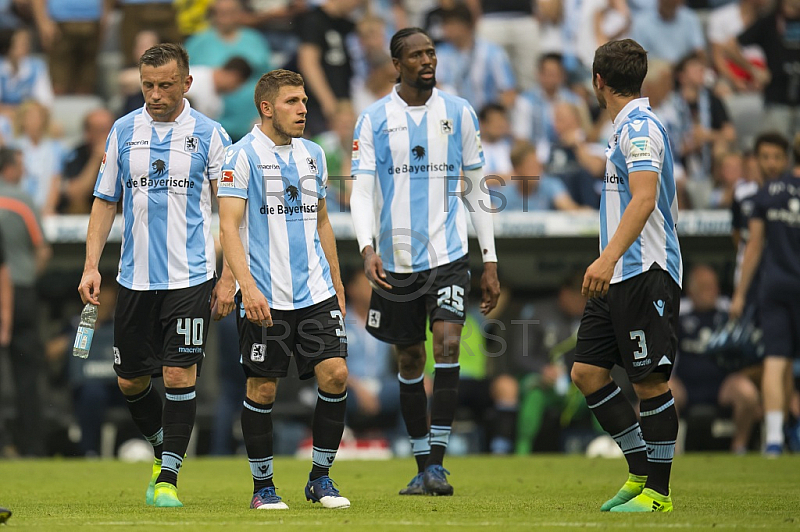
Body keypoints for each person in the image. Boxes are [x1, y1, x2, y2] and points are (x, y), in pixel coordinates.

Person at [77, 44, 235, 508]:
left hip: (190, 278)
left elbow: (230, 212)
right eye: (148, 85)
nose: (155, 94)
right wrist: (90, 265)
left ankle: (167, 479)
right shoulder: (123, 131)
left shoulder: (210, 134)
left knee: (178, 374)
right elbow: (105, 201)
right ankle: (166, 446)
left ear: (187, 83)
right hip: (134, 279)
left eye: (166, 84)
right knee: (130, 380)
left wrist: (228, 276)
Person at [349, 27, 500, 496]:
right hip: (394, 261)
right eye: (415, 55)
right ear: (397, 64)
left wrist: (490, 258)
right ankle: (420, 464)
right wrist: (367, 247)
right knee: (411, 354)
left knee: (448, 342)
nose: (426, 60)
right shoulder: (373, 118)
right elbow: (362, 190)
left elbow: (476, 187)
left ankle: (437, 462)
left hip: (449, 255)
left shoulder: (459, 113)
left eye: (431, 52)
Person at [218, 69, 350, 510]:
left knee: (336, 374)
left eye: (305, 100)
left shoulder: (314, 154)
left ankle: (320, 478)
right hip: (265, 297)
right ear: (267, 108)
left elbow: (322, 220)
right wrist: (246, 287)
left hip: (315, 291)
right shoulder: (240, 158)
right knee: (264, 389)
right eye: (293, 101)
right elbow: (229, 228)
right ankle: (263, 488)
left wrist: (336, 278)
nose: (304, 109)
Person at [571, 39, 682, 512]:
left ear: (599, 81)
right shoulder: (622, 129)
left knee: (650, 383)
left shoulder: (641, 128)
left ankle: (658, 493)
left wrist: (607, 257)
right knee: (587, 373)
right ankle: (640, 471)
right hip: (618, 274)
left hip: (643, 269)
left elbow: (643, 198)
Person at [730, 133, 800, 457]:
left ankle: (773, 439)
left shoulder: (765, 194)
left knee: (775, 360)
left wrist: (740, 293)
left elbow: (753, 245)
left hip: (774, 286)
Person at [670, 264, 760, 454]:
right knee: (663, 392)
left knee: (747, 392)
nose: (714, 291)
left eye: (714, 286)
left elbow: (751, 351)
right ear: (691, 291)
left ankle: (739, 447)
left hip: (722, 385)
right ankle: (671, 451)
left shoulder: (729, 309)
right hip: (685, 385)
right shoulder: (677, 312)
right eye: (706, 287)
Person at [0, 146, 51, 457]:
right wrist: (30, 277)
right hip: (20, 291)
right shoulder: (21, 200)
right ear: (10, 167)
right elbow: (42, 249)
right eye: (21, 165)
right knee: (27, 375)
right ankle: (32, 445)